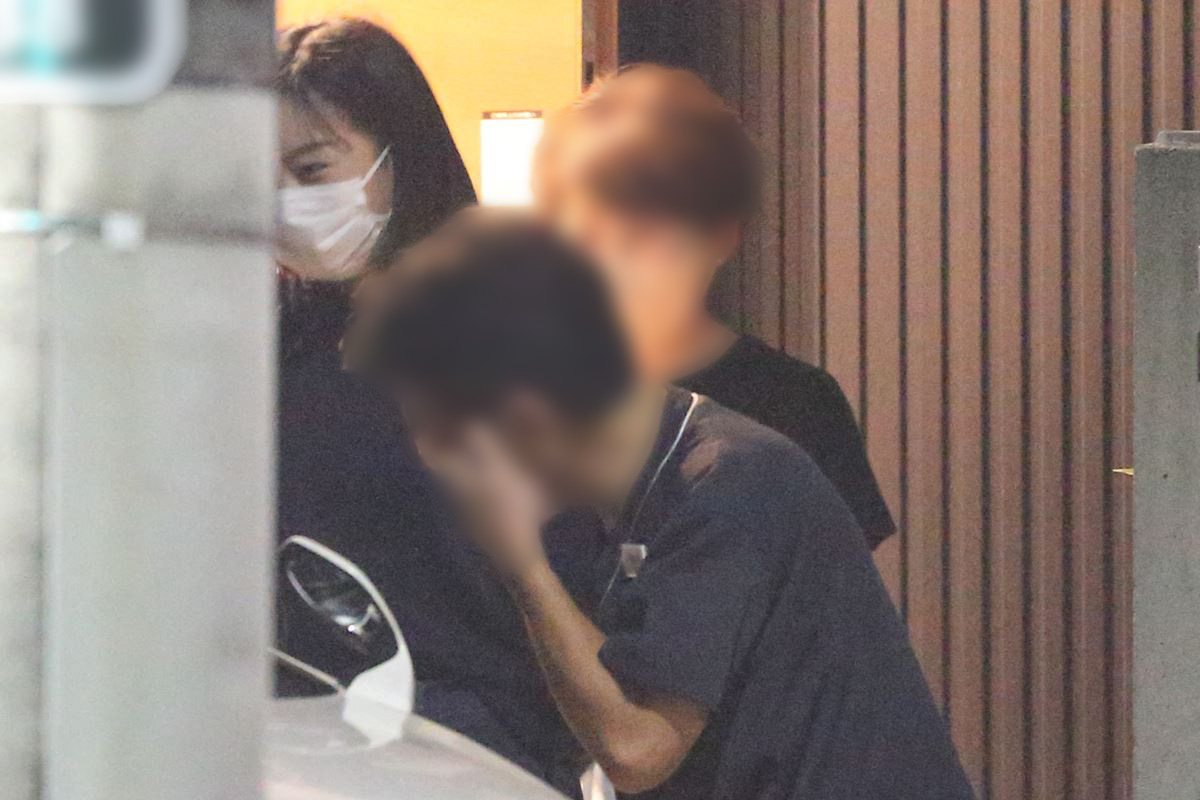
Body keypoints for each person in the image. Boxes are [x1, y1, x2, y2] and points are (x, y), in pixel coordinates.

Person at [343, 209, 974, 800]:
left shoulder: (730, 482)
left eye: (448, 426)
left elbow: (637, 750)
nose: (437, 460)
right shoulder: (635, 493)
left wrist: (520, 563)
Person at [273, 20, 581, 794]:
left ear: (399, 153)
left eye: (312, 170)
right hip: (305, 752)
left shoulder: (512, 326)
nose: (285, 202)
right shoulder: (279, 338)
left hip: (478, 753)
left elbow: (576, 574)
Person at [535, 65, 896, 547]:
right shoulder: (517, 400)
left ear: (722, 235)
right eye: (589, 238)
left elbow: (836, 588)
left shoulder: (798, 406)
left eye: (643, 237)